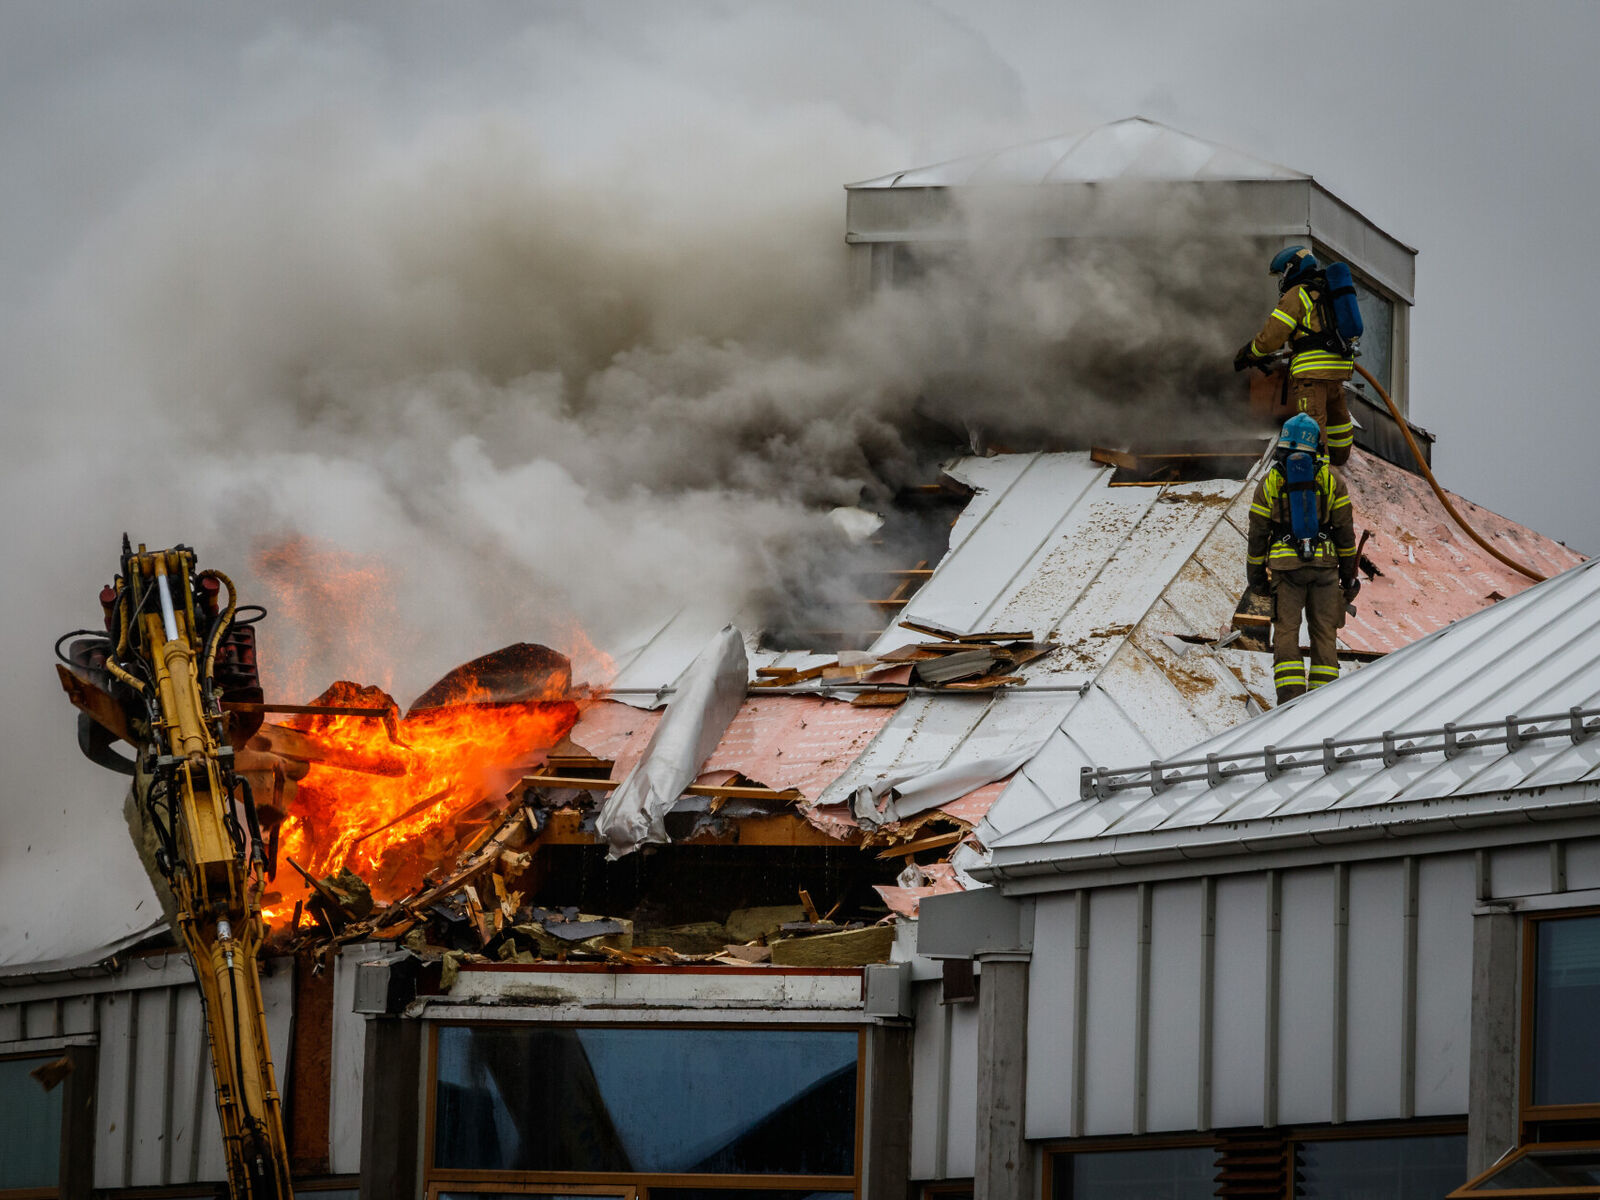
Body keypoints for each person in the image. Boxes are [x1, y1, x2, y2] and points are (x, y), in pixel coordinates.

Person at [1246, 414, 1359, 703]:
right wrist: (1348, 574)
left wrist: (1256, 577)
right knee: (1324, 632)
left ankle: (1290, 699)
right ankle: (1322, 701)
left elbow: (1258, 534)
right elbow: (1345, 533)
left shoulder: (1270, 482)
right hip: (1325, 567)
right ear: (1316, 446)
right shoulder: (1332, 480)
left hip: (1286, 569)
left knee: (1286, 631)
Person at [1234, 246, 1356, 465]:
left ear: (1291, 268)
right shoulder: (1326, 290)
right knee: (1338, 422)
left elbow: (1272, 336)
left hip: (1311, 375)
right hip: (1337, 371)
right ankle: (1340, 458)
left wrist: (1250, 352)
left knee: (1311, 430)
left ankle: (1319, 475)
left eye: (1283, 273)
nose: (1282, 279)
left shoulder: (1297, 294)